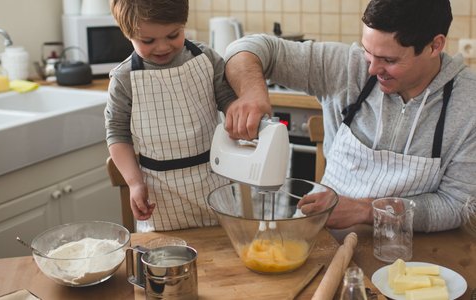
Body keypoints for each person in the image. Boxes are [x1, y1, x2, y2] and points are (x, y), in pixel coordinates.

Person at [223, 0, 476, 233]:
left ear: (435, 45)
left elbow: (456, 205)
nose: (373, 69)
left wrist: (368, 210)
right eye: (369, 52)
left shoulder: (469, 103)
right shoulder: (345, 66)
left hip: (414, 253)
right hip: (324, 241)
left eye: (389, 59)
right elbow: (248, 48)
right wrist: (251, 93)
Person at [105, 0, 235, 232]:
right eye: (148, 41)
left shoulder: (206, 59)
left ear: (183, 24)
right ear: (128, 34)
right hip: (159, 194)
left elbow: (228, 99)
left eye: (173, 35)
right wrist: (134, 183)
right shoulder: (124, 79)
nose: (163, 47)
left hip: (213, 180)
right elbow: (117, 134)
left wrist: (239, 114)